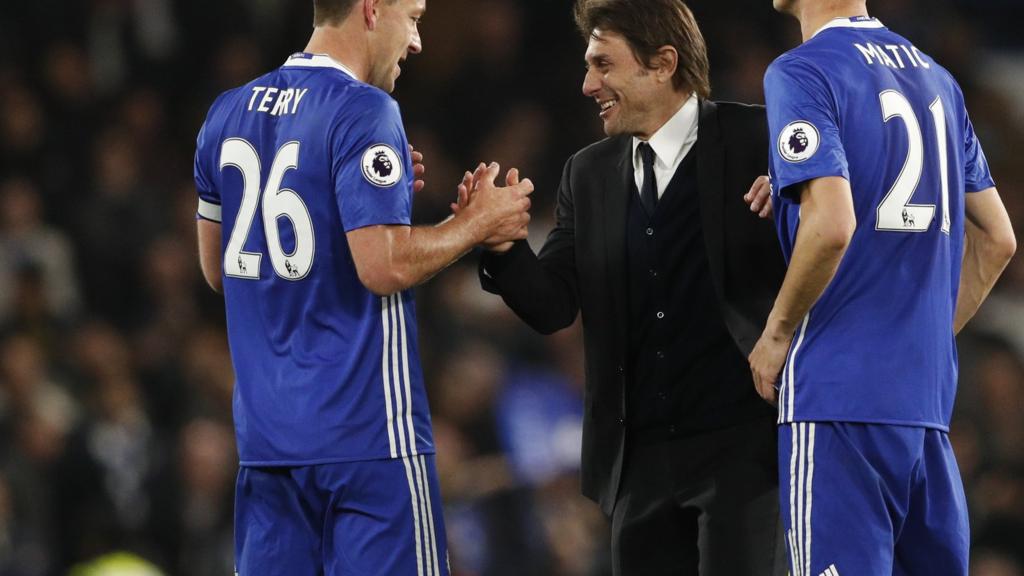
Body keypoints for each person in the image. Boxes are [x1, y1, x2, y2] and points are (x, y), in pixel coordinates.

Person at [192, 0, 533, 573]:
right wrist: (476, 223)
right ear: (373, 9)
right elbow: (386, 268)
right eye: (415, 17)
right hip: (369, 445)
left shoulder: (226, 112)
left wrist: (349, 207)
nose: (417, 41)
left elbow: (216, 268)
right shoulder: (364, 109)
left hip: (268, 449)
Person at [473, 0, 788, 573]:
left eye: (603, 65)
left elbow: (831, 241)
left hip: (746, 455)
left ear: (663, 63)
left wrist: (794, 210)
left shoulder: (759, 139)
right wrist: (501, 246)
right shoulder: (587, 173)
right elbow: (552, 305)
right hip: (637, 466)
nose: (588, 84)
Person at [749, 1, 1017, 574]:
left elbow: (833, 226)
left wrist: (776, 334)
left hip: (837, 400)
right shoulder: (937, 79)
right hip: (924, 410)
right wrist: (909, 341)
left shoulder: (801, 70)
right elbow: (997, 240)